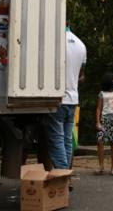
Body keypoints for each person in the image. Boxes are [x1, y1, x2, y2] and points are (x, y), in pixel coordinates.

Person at [47, 26, 86, 169]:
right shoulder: (81, 45)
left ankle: (62, 175)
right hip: (73, 99)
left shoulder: (55, 42)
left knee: (57, 139)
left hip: (58, 98)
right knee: (67, 140)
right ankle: (66, 175)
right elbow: (81, 76)